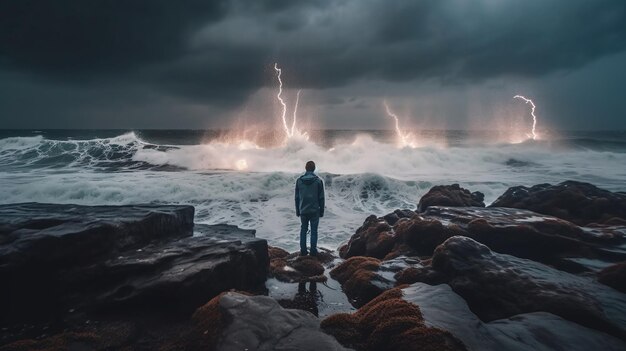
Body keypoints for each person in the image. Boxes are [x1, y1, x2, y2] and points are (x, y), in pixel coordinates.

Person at [295, 160, 325, 256]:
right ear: (314, 168)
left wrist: (297, 210)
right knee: (314, 231)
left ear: (306, 168)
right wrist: (322, 211)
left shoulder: (299, 181)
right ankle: (313, 251)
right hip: (314, 210)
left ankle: (303, 251)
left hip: (303, 209)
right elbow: (321, 198)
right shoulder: (318, 181)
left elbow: (297, 198)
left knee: (303, 229)